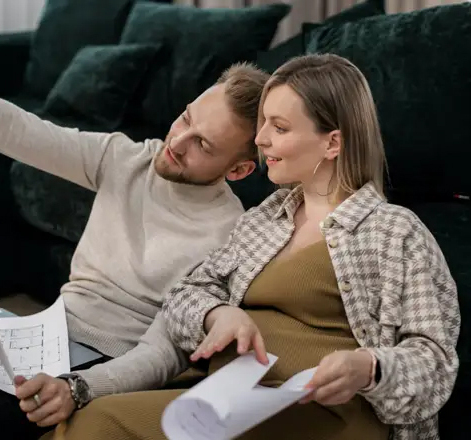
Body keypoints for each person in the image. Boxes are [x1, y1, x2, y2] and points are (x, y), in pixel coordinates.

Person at [0, 48, 270, 440]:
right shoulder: (127, 158)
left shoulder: (228, 236)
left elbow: (164, 353)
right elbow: (18, 129)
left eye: (203, 146)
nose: (177, 141)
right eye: (186, 117)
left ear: (239, 170)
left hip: (85, 373)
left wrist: (77, 389)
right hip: (28, 339)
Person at [44, 54, 461, 440]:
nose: (259, 140)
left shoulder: (395, 232)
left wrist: (369, 367)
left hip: (325, 412)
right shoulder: (265, 217)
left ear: (332, 143)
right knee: (85, 420)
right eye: (263, 123)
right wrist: (217, 313)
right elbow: (184, 297)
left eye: (279, 128)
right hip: (226, 395)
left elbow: (435, 364)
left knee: (100, 426)